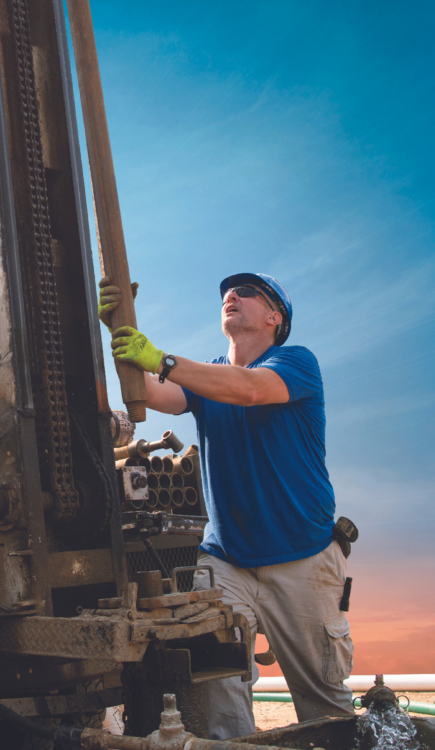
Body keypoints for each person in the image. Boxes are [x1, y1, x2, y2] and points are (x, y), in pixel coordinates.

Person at [101, 272, 352, 738]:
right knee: (216, 696)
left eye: (247, 292)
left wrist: (161, 358)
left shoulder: (295, 363)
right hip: (226, 559)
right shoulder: (208, 378)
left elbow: (250, 390)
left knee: (326, 706)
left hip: (301, 555)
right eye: (226, 294)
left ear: (274, 317)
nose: (231, 296)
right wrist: (115, 330)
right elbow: (149, 395)